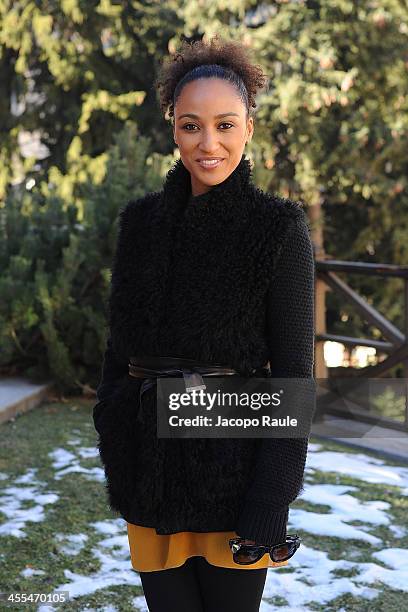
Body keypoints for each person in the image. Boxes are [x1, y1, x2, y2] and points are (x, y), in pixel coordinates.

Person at [93, 34, 315, 612]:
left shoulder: (278, 229)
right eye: (192, 125)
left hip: (234, 475)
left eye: (225, 124)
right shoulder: (139, 224)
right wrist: (113, 422)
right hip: (147, 465)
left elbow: (294, 376)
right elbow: (120, 347)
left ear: (248, 127)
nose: (208, 143)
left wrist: (271, 499)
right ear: (173, 127)